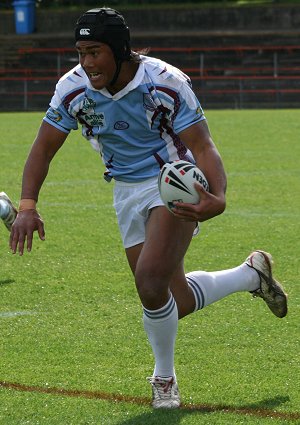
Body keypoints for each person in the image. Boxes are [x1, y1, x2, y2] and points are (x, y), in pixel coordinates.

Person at [9, 7, 288, 409]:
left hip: (175, 181)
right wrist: (27, 206)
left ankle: (164, 378)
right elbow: (43, 147)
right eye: (81, 52)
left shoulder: (165, 81)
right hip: (125, 190)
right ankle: (250, 276)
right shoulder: (71, 89)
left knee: (150, 283)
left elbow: (203, 144)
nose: (87, 63)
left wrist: (219, 196)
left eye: (95, 52)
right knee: (173, 297)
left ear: (120, 50)